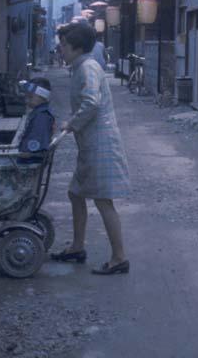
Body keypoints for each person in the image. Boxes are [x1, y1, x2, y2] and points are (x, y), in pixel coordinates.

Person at [52, 23, 130, 275]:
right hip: (90, 142)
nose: (60, 49)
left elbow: (91, 103)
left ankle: (119, 258)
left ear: (76, 46)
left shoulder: (87, 68)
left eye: (64, 45)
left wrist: (71, 124)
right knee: (76, 193)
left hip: (100, 142)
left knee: (103, 200)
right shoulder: (80, 67)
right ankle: (77, 246)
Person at [18, 77, 55, 164]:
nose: (26, 100)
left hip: (30, 162)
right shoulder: (39, 112)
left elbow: (33, 148)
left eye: (30, 97)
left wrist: (20, 152)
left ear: (43, 97)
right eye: (26, 97)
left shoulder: (41, 116)